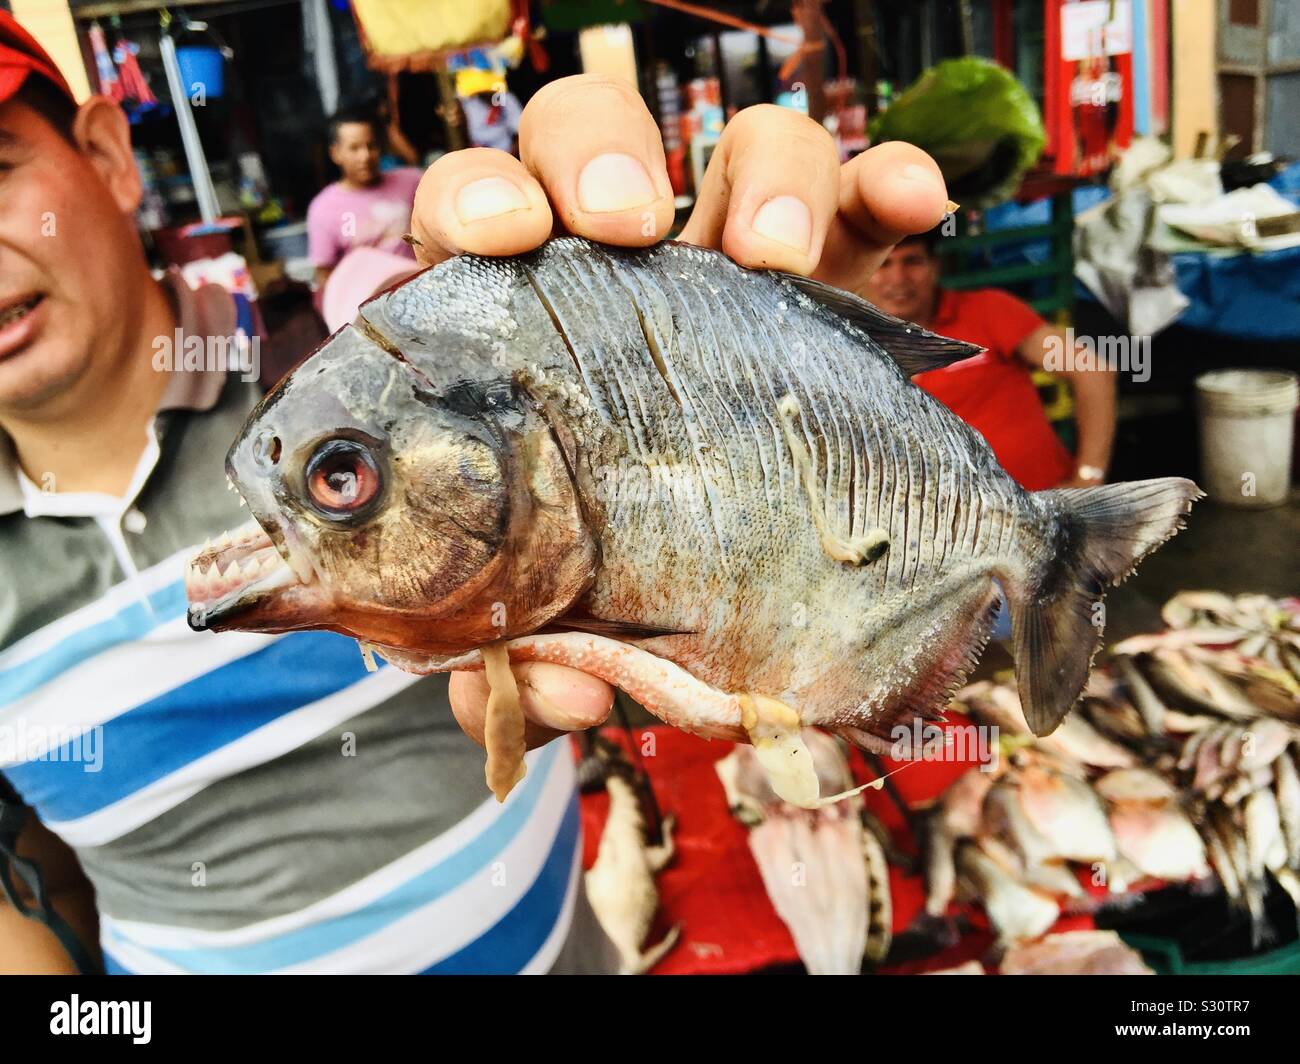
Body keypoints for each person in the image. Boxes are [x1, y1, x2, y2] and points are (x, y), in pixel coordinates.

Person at [1, 10, 952, 974]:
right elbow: (29, 896)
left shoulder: (325, 349)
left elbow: (618, 655)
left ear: (108, 152)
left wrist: (742, 394)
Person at [864, 229, 1117, 490]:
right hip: (945, 523)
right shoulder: (853, 343)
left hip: (1046, 507)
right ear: (863, 273)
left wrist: (1089, 475)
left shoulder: (987, 310)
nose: (898, 279)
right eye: (883, 264)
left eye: (912, 262)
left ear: (935, 267)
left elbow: (1091, 369)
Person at [306, 105, 423, 291]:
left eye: (372, 146)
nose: (365, 156)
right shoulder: (323, 208)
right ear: (335, 153)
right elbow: (324, 274)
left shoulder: (411, 181)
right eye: (354, 148)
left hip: (422, 289)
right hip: (369, 306)